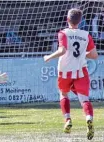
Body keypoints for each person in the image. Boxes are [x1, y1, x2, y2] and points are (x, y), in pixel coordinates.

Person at [43, 9, 98, 140]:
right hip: (81, 70)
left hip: (65, 71)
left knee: (63, 94)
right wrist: (82, 54)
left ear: (67, 19)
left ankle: (67, 119)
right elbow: (94, 55)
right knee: (84, 99)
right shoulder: (86, 34)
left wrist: (49, 57)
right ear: (80, 21)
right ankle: (89, 119)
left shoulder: (63, 33)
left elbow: (62, 50)